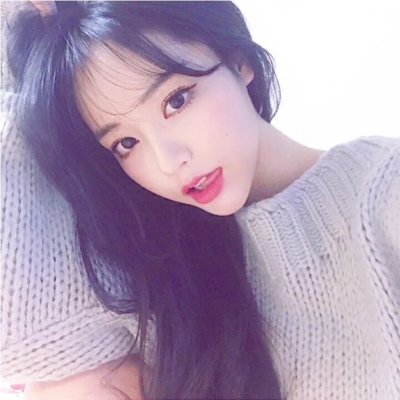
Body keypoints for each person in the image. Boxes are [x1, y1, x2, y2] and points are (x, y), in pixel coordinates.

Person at [1, 1, 399, 399]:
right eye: (126, 143)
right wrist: (25, 28)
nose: (168, 161)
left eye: (176, 101)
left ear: (239, 60)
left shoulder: (383, 193)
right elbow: (19, 331)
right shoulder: (170, 277)